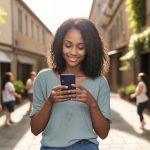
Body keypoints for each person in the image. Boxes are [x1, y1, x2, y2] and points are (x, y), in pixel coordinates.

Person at [30, 18, 112, 150]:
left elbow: (103, 133)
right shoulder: (43, 78)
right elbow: (35, 130)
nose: (73, 52)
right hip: (51, 147)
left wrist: (92, 103)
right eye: (68, 45)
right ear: (59, 45)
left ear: (90, 49)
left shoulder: (99, 82)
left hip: (86, 146)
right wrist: (49, 101)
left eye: (81, 47)